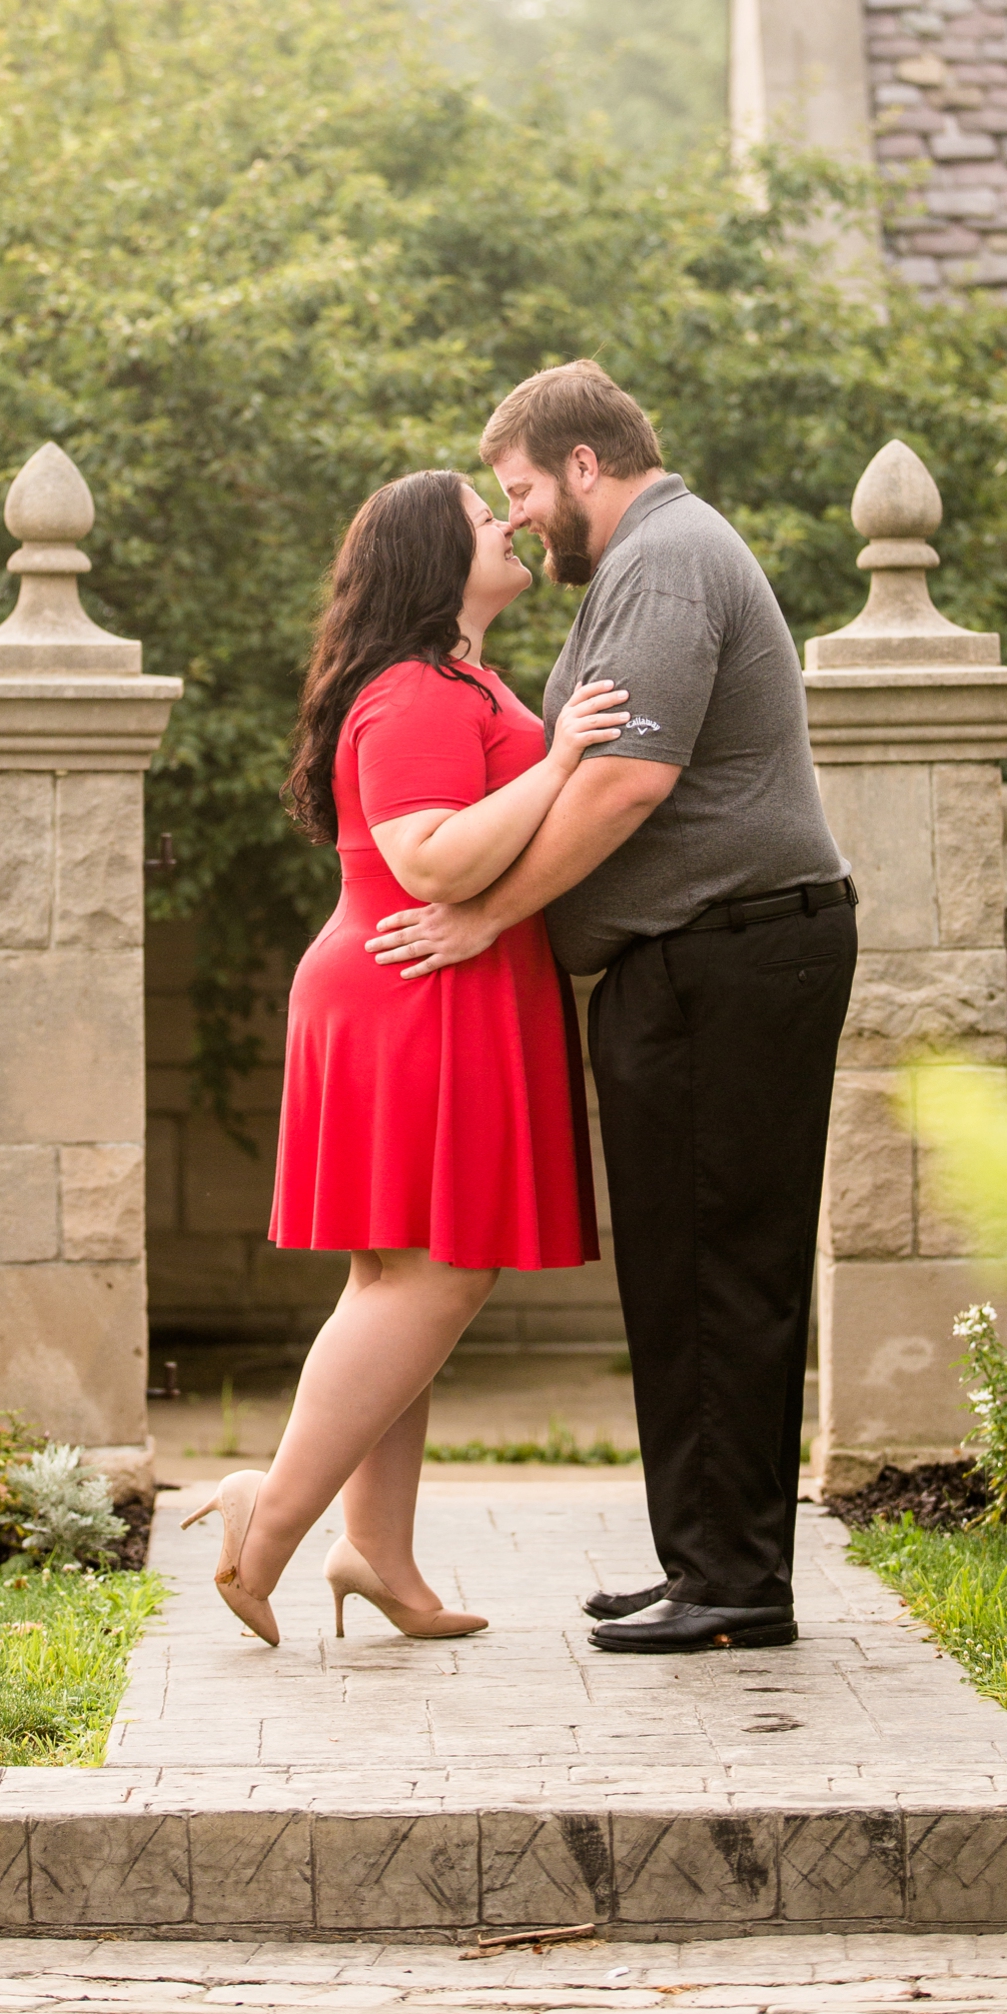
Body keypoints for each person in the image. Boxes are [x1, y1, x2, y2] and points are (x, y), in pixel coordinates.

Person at [368, 362, 855, 1655]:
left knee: (720, 1272)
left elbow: (627, 782)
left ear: (586, 463)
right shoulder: (653, 560)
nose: (519, 516)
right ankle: (706, 1560)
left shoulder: (667, 559)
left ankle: (736, 1583)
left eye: (523, 488)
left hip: (731, 954)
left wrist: (489, 914)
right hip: (695, 960)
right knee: (684, 1270)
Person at [181, 466, 626, 1646]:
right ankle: (265, 1524)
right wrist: (559, 759)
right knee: (441, 1272)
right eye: (489, 520)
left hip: (426, 985)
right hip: (417, 987)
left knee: (394, 1284)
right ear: (439, 558)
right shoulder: (419, 689)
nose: (512, 524)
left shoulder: (456, 674)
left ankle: (375, 1549)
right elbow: (427, 856)